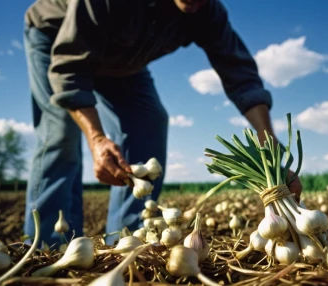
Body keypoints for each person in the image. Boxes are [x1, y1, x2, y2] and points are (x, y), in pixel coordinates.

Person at [23, 0, 303, 247]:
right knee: (60, 134)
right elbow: (70, 70)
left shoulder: (207, 10)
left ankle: (129, 240)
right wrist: (97, 138)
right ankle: (47, 247)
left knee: (150, 121)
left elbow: (239, 73)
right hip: (58, 41)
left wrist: (269, 143)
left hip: (123, 61)